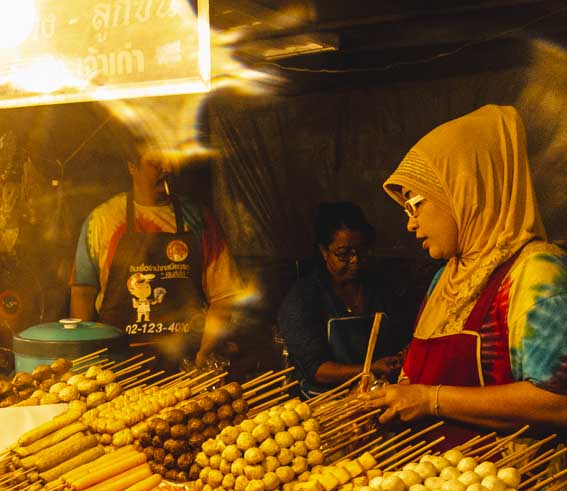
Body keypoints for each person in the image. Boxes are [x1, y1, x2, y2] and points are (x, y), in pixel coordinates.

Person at [363, 105, 567, 444]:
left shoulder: (539, 275)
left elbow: (564, 404)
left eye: (416, 204)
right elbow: (417, 379)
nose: (410, 223)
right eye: (405, 210)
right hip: (430, 481)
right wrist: (390, 398)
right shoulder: (446, 277)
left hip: (511, 484)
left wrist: (431, 400)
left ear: (465, 189)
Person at [69, 137, 244, 370]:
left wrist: (206, 352)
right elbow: (82, 293)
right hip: (116, 362)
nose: (168, 169)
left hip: (185, 364)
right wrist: (84, 359)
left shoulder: (199, 219)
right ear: (132, 166)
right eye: (156, 162)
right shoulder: (102, 220)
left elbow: (223, 296)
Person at [276, 201, 410, 396]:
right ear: (324, 251)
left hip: (377, 394)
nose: (355, 260)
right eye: (344, 254)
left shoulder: (382, 289)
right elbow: (318, 370)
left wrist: (399, 357)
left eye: (361, 251)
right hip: (323, 401)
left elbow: (402, 337)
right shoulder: (303, 298)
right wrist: (371, 368)